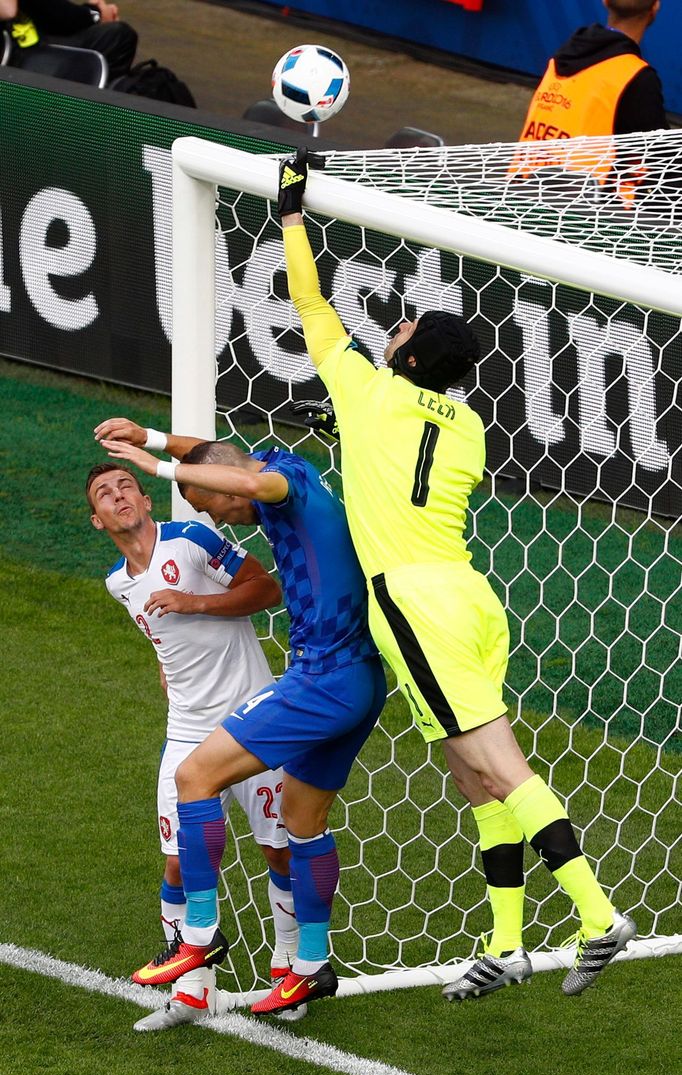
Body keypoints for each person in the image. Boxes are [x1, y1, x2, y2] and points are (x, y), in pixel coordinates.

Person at [275, 148, 637, 1001]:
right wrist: (347, 419)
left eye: (397, 331)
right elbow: (407, 457)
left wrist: (293, 215)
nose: (387, 332)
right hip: (469, 598)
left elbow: (308, 300)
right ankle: (508, 944)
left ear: (404, 356)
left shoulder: (369, 392)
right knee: (473, 777)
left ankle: (596, 914)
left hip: (413, 601)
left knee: (502, 768)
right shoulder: (467, 427)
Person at [94, 418, 386, 1017]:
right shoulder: (284, 465)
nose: (219, 519)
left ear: (234, 491)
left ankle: (198, 941)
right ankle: (305, 969)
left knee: (198, 781)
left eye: (216, 507)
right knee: (304, 826)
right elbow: (221, 458)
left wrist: (163, 468)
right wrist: (152, 439)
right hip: (356, 676)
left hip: (319, 678)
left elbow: (256, 551)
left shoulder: (278, 487)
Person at [86, 460, 304, 1030]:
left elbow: (266, 587)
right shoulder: (117, 583)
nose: (119, 496)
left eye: (126, 485)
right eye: (105, 494)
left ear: (147, 500)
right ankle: (191, 988)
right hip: (185, 731)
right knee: (179, 862)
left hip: (255, 719)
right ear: (97, 520)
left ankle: (290, 972)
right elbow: (168, 640)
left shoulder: (190, 539)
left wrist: (196, 603)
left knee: (278, 849)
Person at [519, 1, 665, 142]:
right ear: (655, 7)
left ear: (605, 2)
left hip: (523, 167)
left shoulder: (561, 58)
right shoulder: (638, 78)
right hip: (582, 168)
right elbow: (664, 156)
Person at [2, 0, 137, 81]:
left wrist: (92, 13)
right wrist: (95, 14)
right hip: (19, 61)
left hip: (26, 41)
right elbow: (8, 9)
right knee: (118, 36)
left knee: (113, 34)